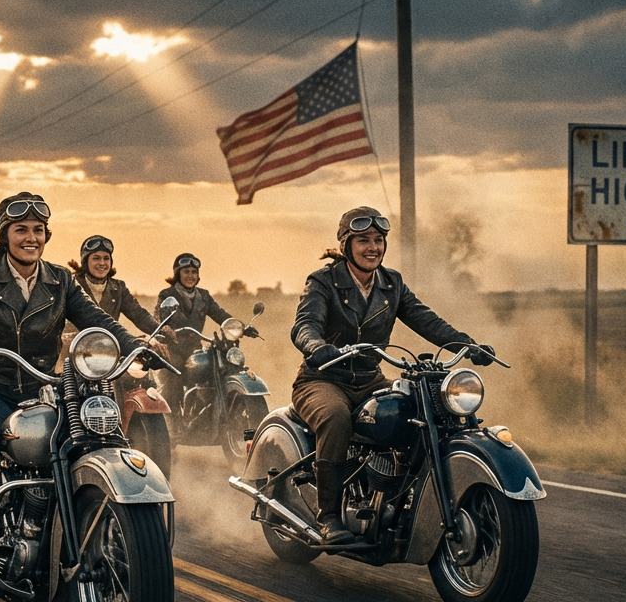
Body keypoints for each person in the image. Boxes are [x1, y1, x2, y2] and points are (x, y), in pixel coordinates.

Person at [0, 192, 145, 588]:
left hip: (44, 388)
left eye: (38, 230)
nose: (30, 237)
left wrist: (138, 344)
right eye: (21, 230)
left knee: (92, 435)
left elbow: (97, 319)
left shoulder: (60, 280)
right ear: (4, 236)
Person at [290, 206, 493, 544]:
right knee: (336, 418)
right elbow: (304, 324)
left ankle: (395, 499)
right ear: (345, 245)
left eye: (378, 240)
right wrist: (316, 346)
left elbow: (425, 319)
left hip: (370, 380)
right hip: (322, 380)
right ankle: (328, 517)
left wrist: (468, 345)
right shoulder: (324, 281)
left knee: (421, 411)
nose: (373, 247)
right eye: (363, 240)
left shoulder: (391, 283)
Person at [153, 253, 257, 414]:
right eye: (186, 271)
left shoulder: (204, 296)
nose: (190, 276)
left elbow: (220, 315)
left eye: (194, 272)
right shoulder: (167, 295)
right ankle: (171, 426)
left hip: (195, 349)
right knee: (173, 381)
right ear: (177, 273)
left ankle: (210, 412)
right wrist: (165, 331)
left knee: (218, 369)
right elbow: (158, 319)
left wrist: (240, 327)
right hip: (173, 349)